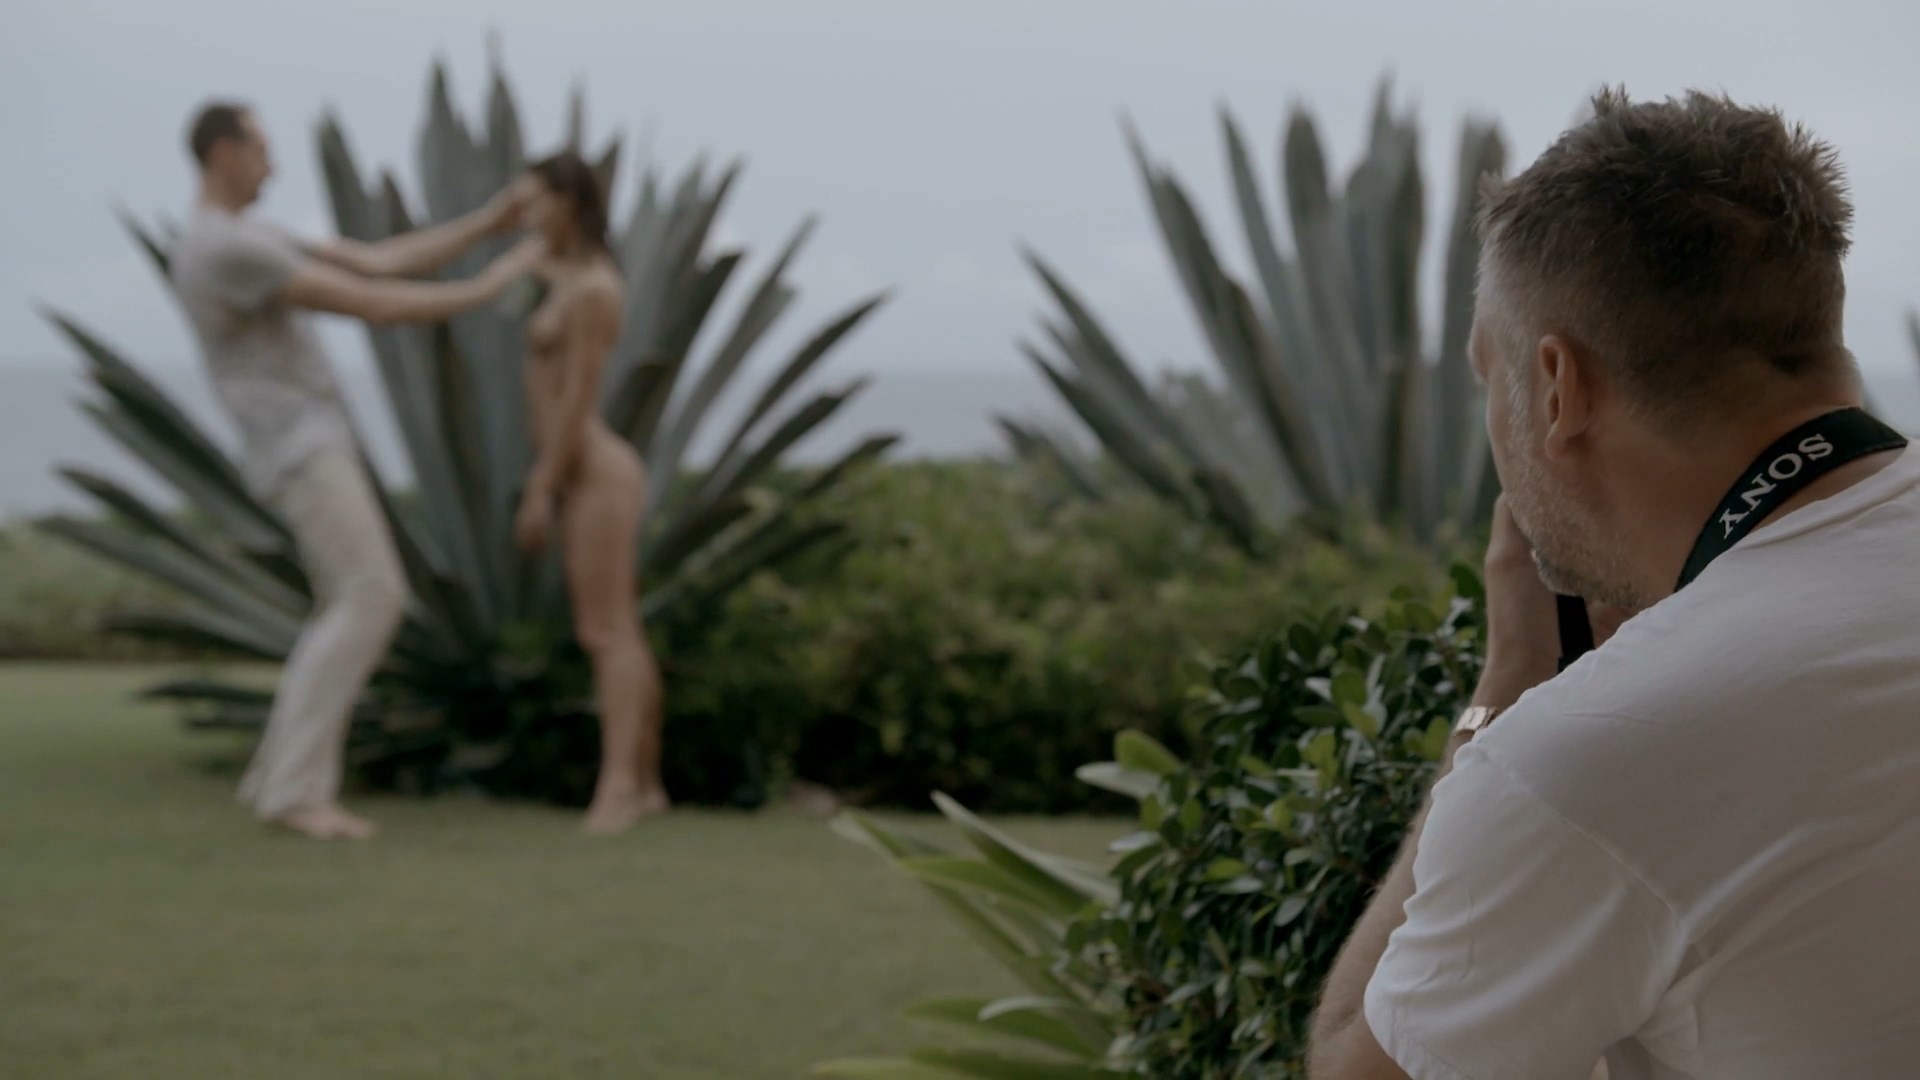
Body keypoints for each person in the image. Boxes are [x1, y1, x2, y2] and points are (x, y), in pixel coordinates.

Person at [1308, 89, 1920, 1078]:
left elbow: (1357, 1068)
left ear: (1557, 386)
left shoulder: (1586, 760)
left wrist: (1508, 687)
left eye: (1490, 377)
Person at [170, 100, 543, 840]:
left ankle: (279, 781)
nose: (272, 166)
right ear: (223, 153)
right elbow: (371, 302)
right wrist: (494, 285)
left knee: (348, 602)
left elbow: (381, 259)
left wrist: (487, 223)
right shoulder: (224, 249)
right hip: (299, 447)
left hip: (308, 443)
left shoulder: (250, 236)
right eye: (261, 149)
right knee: (371, 597)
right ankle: (295, 794)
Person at [509, 151, 669, 834]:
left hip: (595, 473)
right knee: (618, 627)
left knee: (605, 632)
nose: (525, 214)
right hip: (579, 471)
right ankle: (647, 784)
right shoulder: (566, 279)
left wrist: (541, 488)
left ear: (569, 203)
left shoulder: (596, 290)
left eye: (536, 201)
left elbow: (578, 398)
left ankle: (620, 787)